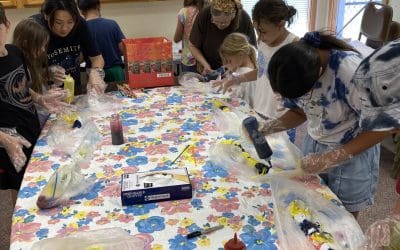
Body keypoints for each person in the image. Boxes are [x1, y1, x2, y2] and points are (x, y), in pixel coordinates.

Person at [263, 31, 384, 218]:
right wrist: (270, 127)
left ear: (319, 73)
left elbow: (382, 127)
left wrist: (334, 157)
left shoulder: (352, 73)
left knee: (342, 218)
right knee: (310, 207)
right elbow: (299, 111)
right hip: (316, 141)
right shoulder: (296, 64)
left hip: (352, 151)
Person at [0, 4, 66, 205]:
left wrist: (41, 98)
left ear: (7, 25)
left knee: (37, 178)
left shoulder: (14, 52)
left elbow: (22, 86)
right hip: (8, 143)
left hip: (30, 128)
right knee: (18, 189)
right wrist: (5, 139)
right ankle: (18, 229)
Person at [215, 0, 298, 141]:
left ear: (281, 24)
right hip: (259, 110)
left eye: (263, 31)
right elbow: (261, 72)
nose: (259, 37)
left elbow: (300, 95)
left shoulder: (295, 46)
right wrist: (237, 79)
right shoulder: (262, 42)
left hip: (281, 118)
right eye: (256, 30)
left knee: (279, 160)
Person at [32, 0, 105, 95]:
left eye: (70, 22)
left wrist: (95, 73)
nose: (65, 28)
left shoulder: (80, 24)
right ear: (46, 16)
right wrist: (46, 73)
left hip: (73, 89)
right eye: (58, 23)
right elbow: (25, 71)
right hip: (44, 94)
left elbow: (97, 58)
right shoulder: (36, 28)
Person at [189, 0, 256, 75]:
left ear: (233, 16)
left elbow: (251, 50)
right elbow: (193, 45)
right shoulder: (204, 14)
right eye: (215, 21)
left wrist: (235, 68)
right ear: (211, 15)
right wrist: (205, 64)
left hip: (236, 69)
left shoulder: (243, 18)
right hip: (209, 67)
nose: (219, 26)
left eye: (224, 23)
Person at [77, 0, 126, 83]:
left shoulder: (80, 29)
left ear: (81, 10)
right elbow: (124, 49)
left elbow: (79, 58)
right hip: (115, 71)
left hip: (93, 74)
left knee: (94, 95)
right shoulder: (112, 24)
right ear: (98, 6)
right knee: (120, 95)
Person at [218, 32, 256, 104]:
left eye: (229, 61)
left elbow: (247, 106)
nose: (227, 64)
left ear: (241, 54)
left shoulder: (247, 76)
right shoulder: (240, 68)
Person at [174, 0, 205, 73]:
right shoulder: (206, 11)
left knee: (189, 83)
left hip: (189, 58)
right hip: (205, 59)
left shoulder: (184, 12)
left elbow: (176, 39)